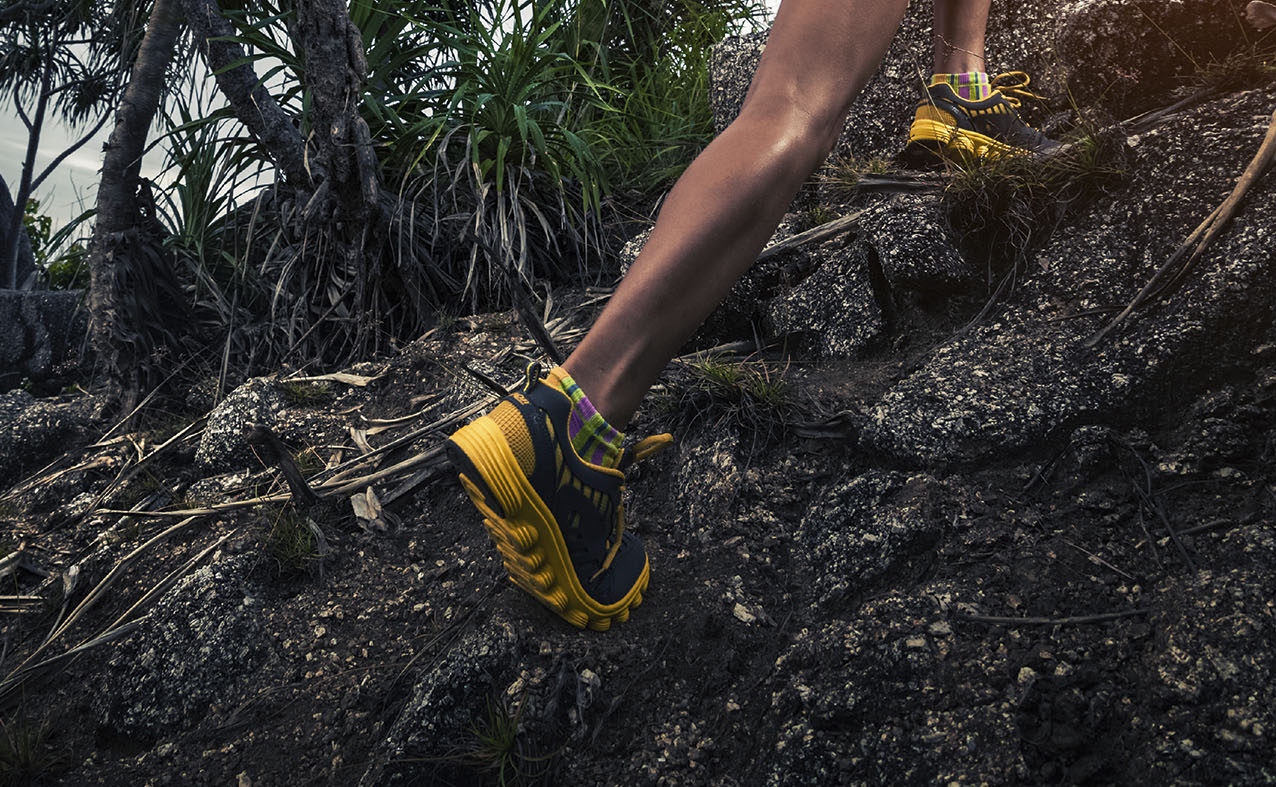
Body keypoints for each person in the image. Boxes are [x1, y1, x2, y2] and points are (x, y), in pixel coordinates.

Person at [446, 0, 1062, 630]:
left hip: (957, 79)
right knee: (794, 108)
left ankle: (962, 88)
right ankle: (573, 422)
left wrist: (962, 69)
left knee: (797, 107)